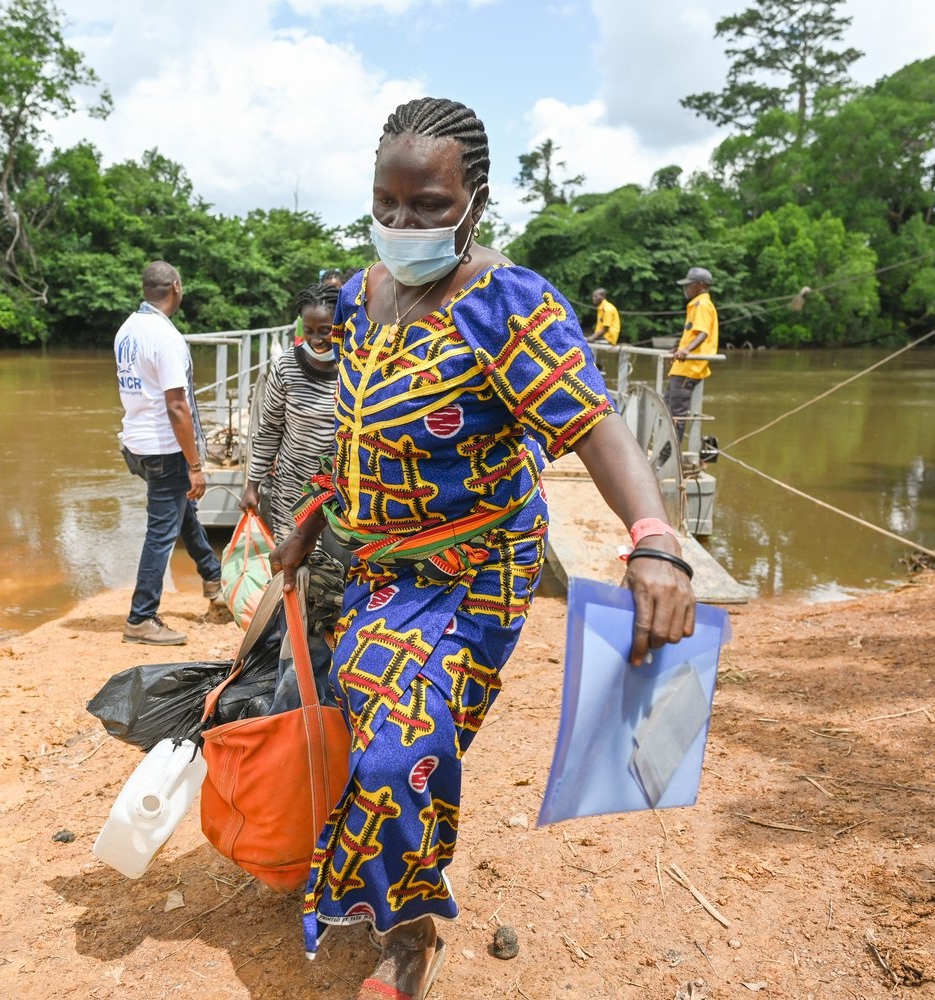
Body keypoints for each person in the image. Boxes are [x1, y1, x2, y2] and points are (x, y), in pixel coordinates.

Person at [269, 97, 696, 1000]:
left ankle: (409, 938)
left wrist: (654, 539)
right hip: (377, 570)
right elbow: (355, 427)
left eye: (427, 205)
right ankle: (405, 896)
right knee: (377, 732)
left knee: (401, 750)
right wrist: (315, 511)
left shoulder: (510, 305)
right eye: (386, 202)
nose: (400, 224)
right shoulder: (357, 296)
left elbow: (596, 425)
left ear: (476, 200)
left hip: (475, 574)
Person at [115, 261, 222, 646]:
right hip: (165, 448)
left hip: (136, 444)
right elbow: (178, 406)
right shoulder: (166, 336)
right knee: (161, 533)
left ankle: (213, 580)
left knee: (182, 512)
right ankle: (141, 618)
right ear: (176, 287)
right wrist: (195, 465)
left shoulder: (128, 329)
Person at [241, 282, 341, 543]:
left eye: (326, 331)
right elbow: (270, 429)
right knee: (292, 566)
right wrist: (252, 485)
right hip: (292, 488)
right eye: (308, 331)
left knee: (334, 571)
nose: (317, 340)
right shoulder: (286, 367)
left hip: (340, 492)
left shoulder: (354, 368)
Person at [664, 266, 719, 454]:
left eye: (690, 284)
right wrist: (679, 349)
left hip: (690, 368)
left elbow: (702, 333)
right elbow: (693, 334)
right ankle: (665, 451)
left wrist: (686, 350)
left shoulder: (702, 304)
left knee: (676, 415)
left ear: (701, 285)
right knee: (667, 408)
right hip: (682, 368)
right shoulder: (697, 304)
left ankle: (669, 457)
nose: (686, 288)